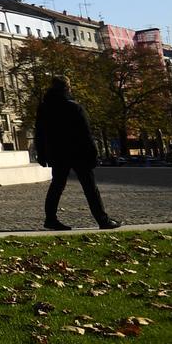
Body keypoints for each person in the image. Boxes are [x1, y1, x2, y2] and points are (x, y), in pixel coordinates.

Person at [33, 77, 120, 231]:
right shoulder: (74, 107)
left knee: (57, 186)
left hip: (57, 153)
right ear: (68, 87)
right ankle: (102, 220)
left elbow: (39, 133)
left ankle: (50, 219)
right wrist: (93, 154)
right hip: (78, 152)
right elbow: (86, 133)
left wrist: (41, 154)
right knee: (90, 188)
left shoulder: (44, 107)